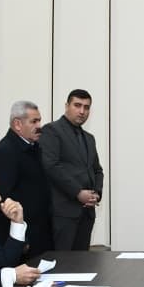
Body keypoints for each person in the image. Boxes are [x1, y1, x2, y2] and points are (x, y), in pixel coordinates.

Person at [39, 88, 104, 251]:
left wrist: (96, 193)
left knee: (82, 262)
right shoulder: (51, 131)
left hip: (87, 213)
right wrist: (78, 192)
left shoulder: (89, 138)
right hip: (64, 213)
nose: (82, 111)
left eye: (86, 107)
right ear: (67, 106)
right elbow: (51, 166)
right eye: (77, 105)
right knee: (63, 261)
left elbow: (97, 170)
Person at [0, 100, 53, 257]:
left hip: (39, 233)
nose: (39, 126)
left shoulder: (34, 147)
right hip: (21, 238)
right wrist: (21, 238)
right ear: (17, 124)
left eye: (39, 120)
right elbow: (3, 197)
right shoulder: (4, 152)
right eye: (34, 121)